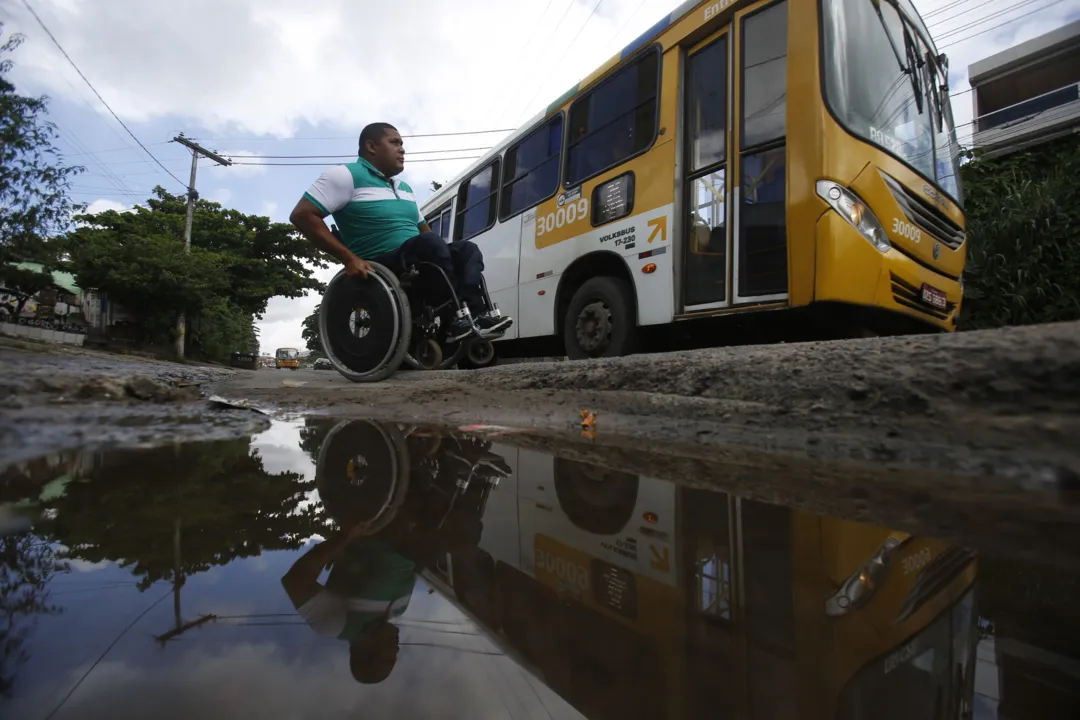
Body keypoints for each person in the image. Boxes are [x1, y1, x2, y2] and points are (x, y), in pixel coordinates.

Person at [289, 122, 512, 343]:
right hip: (382, 261)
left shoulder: (405, 189)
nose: (402, 149)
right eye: (394, 142)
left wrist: (449, 255)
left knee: (467, 249)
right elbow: (302, 215)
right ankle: (456, 317)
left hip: (417, 256)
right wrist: (349, 259)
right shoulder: (344, 175)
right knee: (429, 244)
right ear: (371, 146)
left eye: (402, 144)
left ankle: (475, 315)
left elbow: (425, 231)